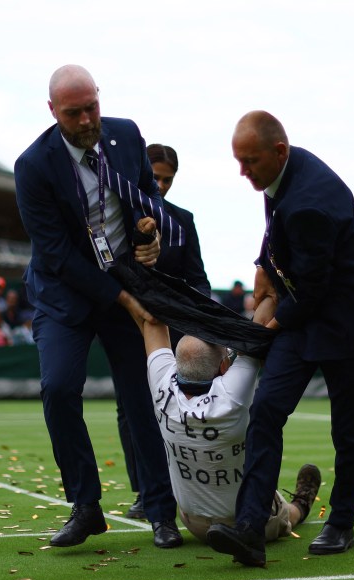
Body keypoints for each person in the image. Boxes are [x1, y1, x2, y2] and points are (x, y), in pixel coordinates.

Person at [206, 111, 354, 566]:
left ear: (278, 152)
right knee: (266, 412)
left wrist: (267, 328)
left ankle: (341, 523)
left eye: (250, 161)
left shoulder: (308, 203)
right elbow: (276, 238)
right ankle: (249, 529)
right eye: (239, 161)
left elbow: (312, 292)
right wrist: (262, 266)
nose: (244, 172)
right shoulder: (280, 174)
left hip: (346, 319)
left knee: (347, 427)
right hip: (307, 309)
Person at [12, 64, 182, 549]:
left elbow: (149, 197)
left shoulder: (126, 136)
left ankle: (160, 510)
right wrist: (124, 298)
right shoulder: (34, 166)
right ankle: (85, 506)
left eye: (92, 106)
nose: (88, 120)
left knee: (142, 397)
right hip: (64, 291)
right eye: (74, 113)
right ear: (53, 112)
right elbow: (57, 256)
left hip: (126, 278)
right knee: (59, 388)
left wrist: (150, 233)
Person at [132, 310, 321, 543]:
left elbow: (152, 319)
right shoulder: (231, 395)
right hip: (245, 520)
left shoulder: (161, 383)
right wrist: (267, 284)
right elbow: (257, 328)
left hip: (192, 522)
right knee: (281, 510)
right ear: (223, 368)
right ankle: (301, 505)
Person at [115, 143, 213, 520]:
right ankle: (144, 491)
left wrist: (200, 323)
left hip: (174, 331)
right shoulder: (116, 216)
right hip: (127, 328)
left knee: (177, 410)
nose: (160, 184)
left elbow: (198, 279)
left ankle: (181, 490)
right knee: (131, 410)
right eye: (154, 177)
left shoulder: (182, 221)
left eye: (167, 179)